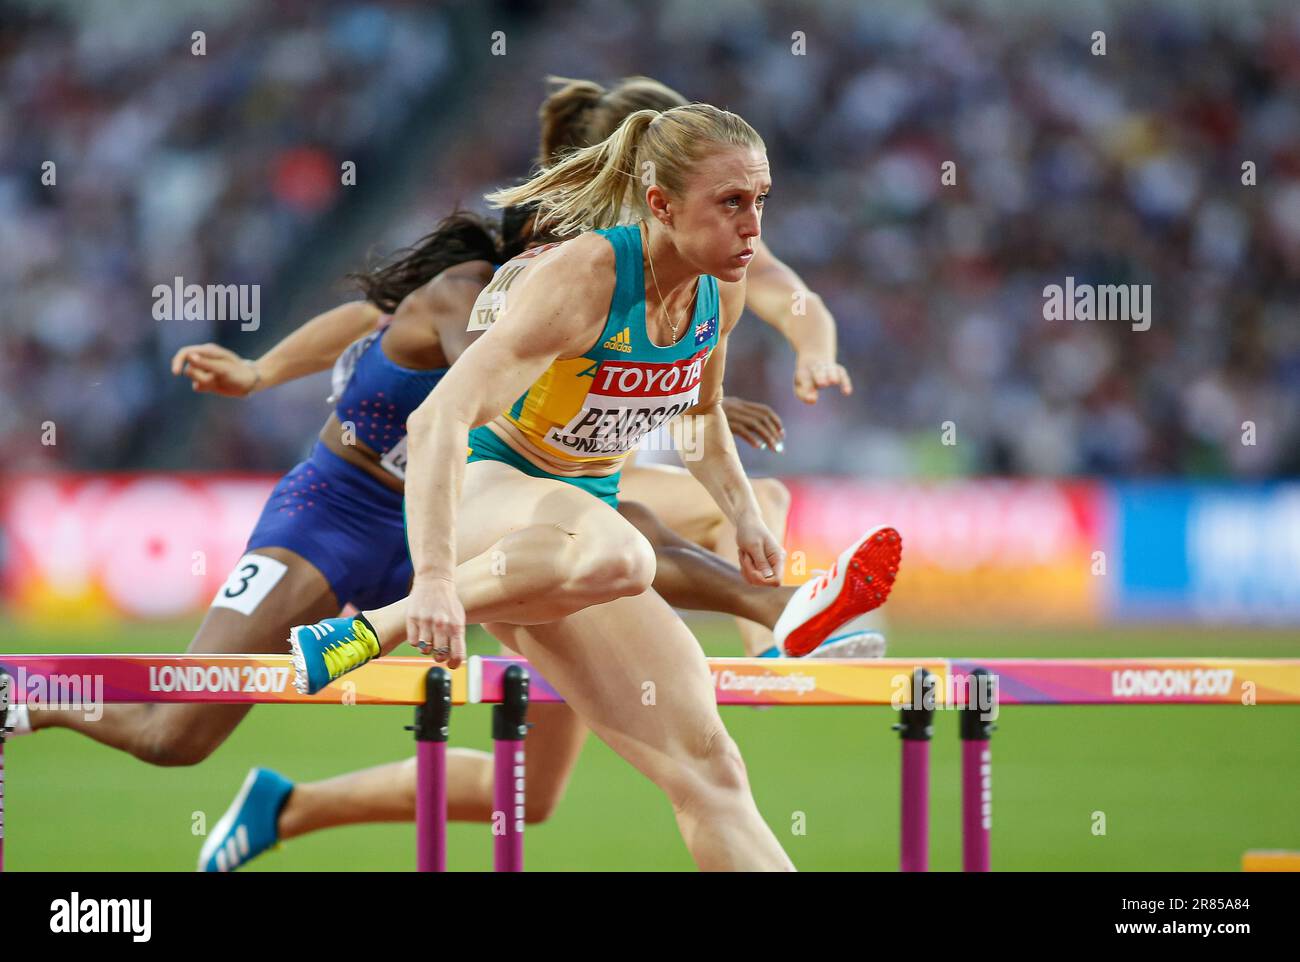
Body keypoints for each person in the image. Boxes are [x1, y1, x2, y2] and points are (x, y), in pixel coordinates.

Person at [284, 102, 900, 871]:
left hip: (577, 534)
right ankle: (386, 624)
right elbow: (438, 420)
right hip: (492, 495)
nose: (754, 228)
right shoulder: (585, 278)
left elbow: (700, 414)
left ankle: (370, 632)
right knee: (628, 552)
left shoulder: (719, 290)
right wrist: (436, 581)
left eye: (762, 201)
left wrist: (744, 515)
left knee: (711, 772)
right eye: (732, 203)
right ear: (661, 204)